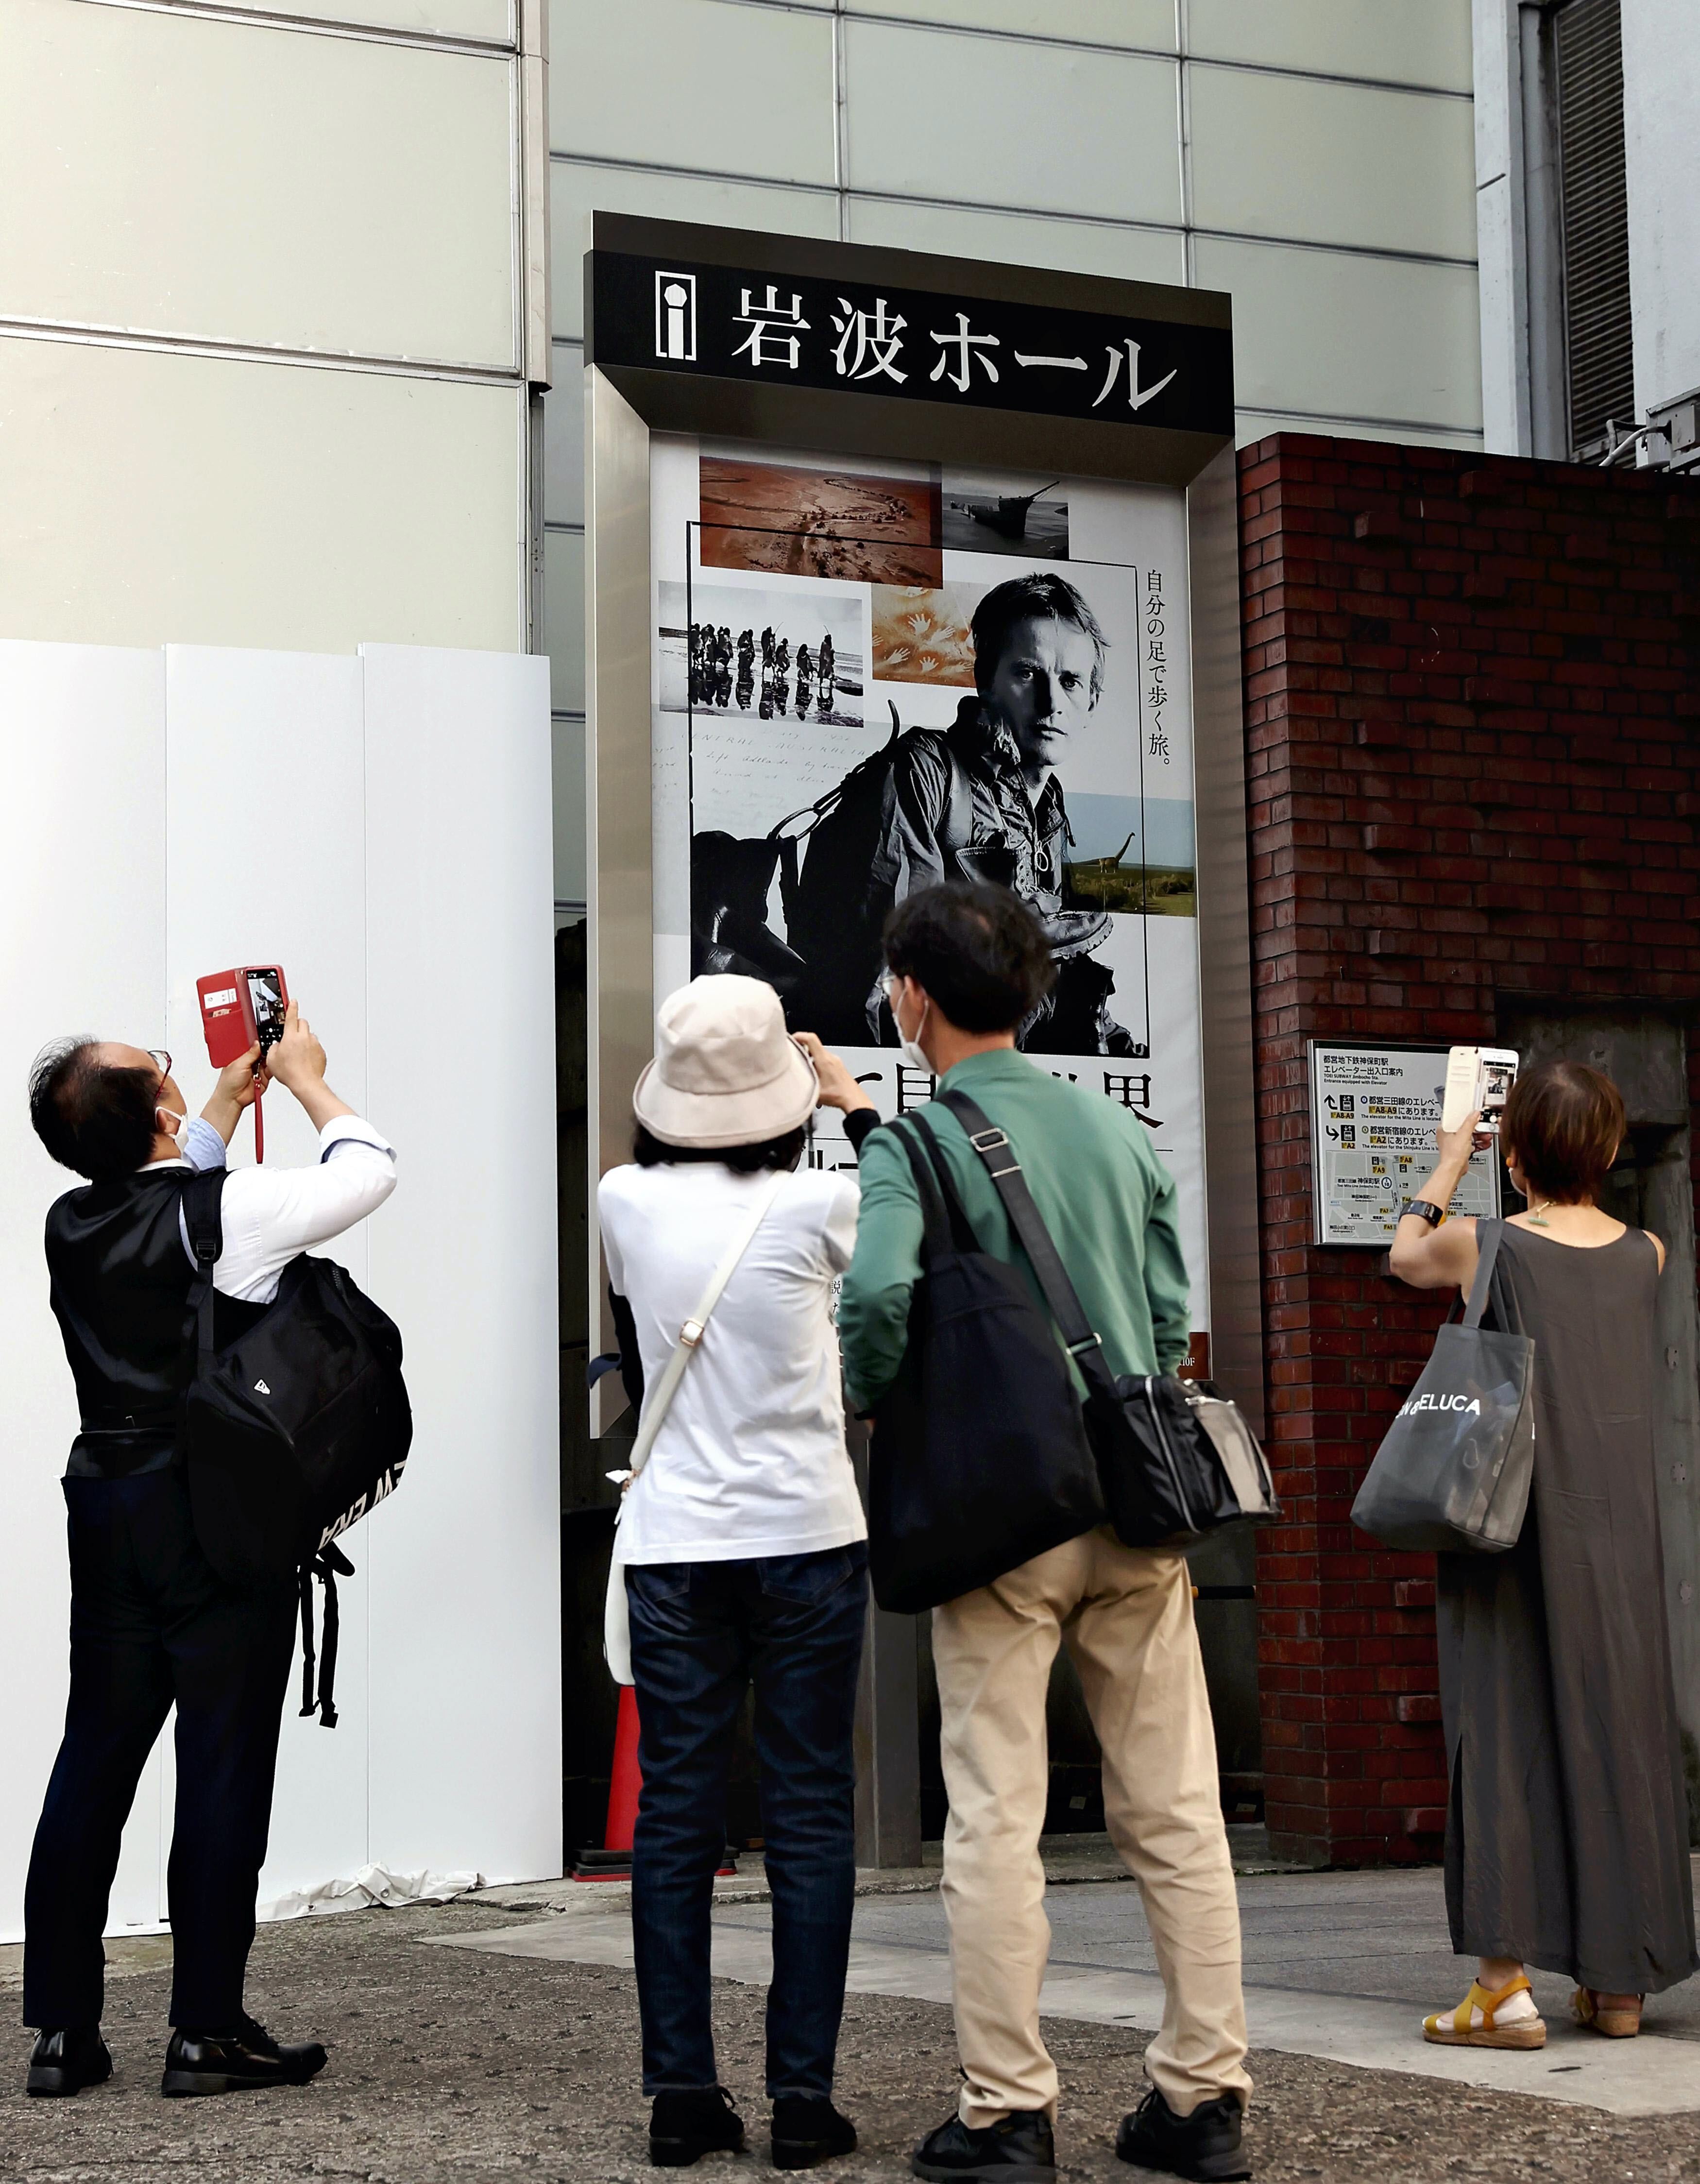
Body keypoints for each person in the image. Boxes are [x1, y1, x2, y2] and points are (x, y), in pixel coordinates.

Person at [826, 884, 1252, 2184]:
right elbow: (1169, 1318)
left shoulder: (914, 1144)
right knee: (1176, 1812)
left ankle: (1009, 2110)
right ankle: (1202, 2100)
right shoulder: (1118, 1132)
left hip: (1001, 1513)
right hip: (1136, 1502)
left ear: (912, 996)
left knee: (996, 1816)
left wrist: (873, 1396)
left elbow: (876, 1300)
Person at [22, 1005, 396, 2100]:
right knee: (222, 1766)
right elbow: (367, 1172)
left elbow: (169, 1193)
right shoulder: (230, 1211)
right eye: (160, 1071)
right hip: (213, 1514)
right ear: (154, 1114)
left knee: (93, 1760)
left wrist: (223, 1104)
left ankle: (62, 2034)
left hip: (107, 1503)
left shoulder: (68, 1222)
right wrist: (311, 1080)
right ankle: (206, 2031)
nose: (174, 1072)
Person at [597, 974, 867, 2172]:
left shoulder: (622, 1199)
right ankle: (802, 2100)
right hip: (806, 1532)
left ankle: (681, 2097)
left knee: (675, 1818)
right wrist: (850, 1100)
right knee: (808, 1813)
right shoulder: (823, 1203)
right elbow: (903, 1213)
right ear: (781, 1090)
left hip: (675, 1548)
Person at [1388, 1060, 1698, 2050]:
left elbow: (1405, 1256)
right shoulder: (1646, 1252)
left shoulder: (1489, 1244)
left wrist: (1449, 1159)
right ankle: (1620, 1985)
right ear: (1605, 1151)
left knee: (1501, 1727)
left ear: (1516, 1152)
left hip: (1510, 1526)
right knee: (1620, 1732)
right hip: (1619, 1535)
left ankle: (1501, 1990)